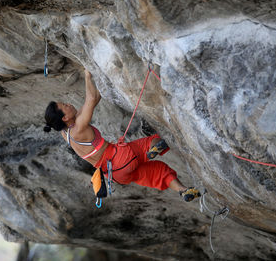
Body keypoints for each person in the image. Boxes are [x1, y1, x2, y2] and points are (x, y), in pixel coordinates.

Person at [44, 70, 200, 202]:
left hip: (116, 175)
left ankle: (183, 190)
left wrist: (97, 76)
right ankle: (153, 147)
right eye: (64, 105)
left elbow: (95, 98)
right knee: (152, 140)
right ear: (64, 118)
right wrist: (87, 75)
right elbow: (91, 99)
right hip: (120, 157)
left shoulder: (67, 133)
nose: (68, 104)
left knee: (159, 172)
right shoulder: (79, 126)